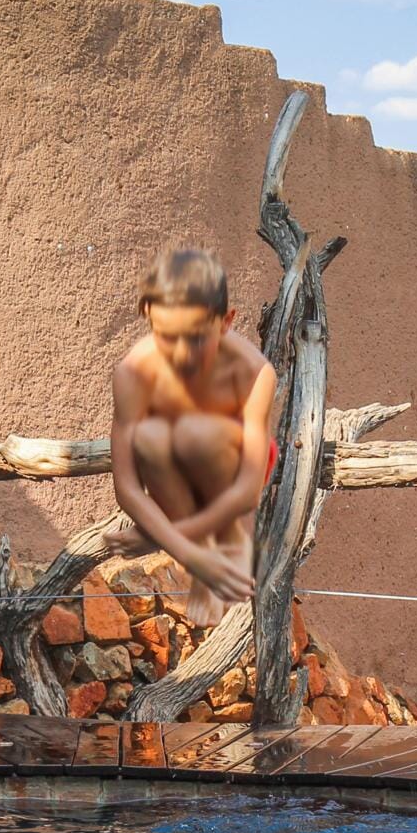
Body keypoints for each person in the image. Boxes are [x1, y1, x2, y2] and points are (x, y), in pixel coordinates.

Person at [108, 246, 278, 626]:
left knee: (195, 434)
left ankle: (232, 545)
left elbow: (249, 488)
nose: (182, 354)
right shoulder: (133, 373)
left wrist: (156, 537)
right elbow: (127, 489)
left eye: (197, 338)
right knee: (151, 437)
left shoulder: (253, 372)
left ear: (226, 321)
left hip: (232, 467)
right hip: (173, 471)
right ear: (149, 317)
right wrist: (190, 552)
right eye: (167, 337)